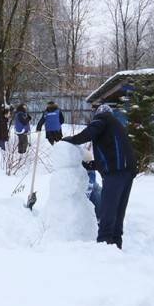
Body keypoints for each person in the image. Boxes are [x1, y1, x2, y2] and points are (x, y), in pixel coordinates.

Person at [62, 104, 136, 249]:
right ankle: (116, 244)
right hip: (127, 171)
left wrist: (72, 139)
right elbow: (113, 153)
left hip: (115, 172)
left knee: (108, 209)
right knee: (118, 210)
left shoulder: (103, 119)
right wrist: (93, 165)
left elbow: (89, 133)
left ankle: (104, 246)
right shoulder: (116, 126)